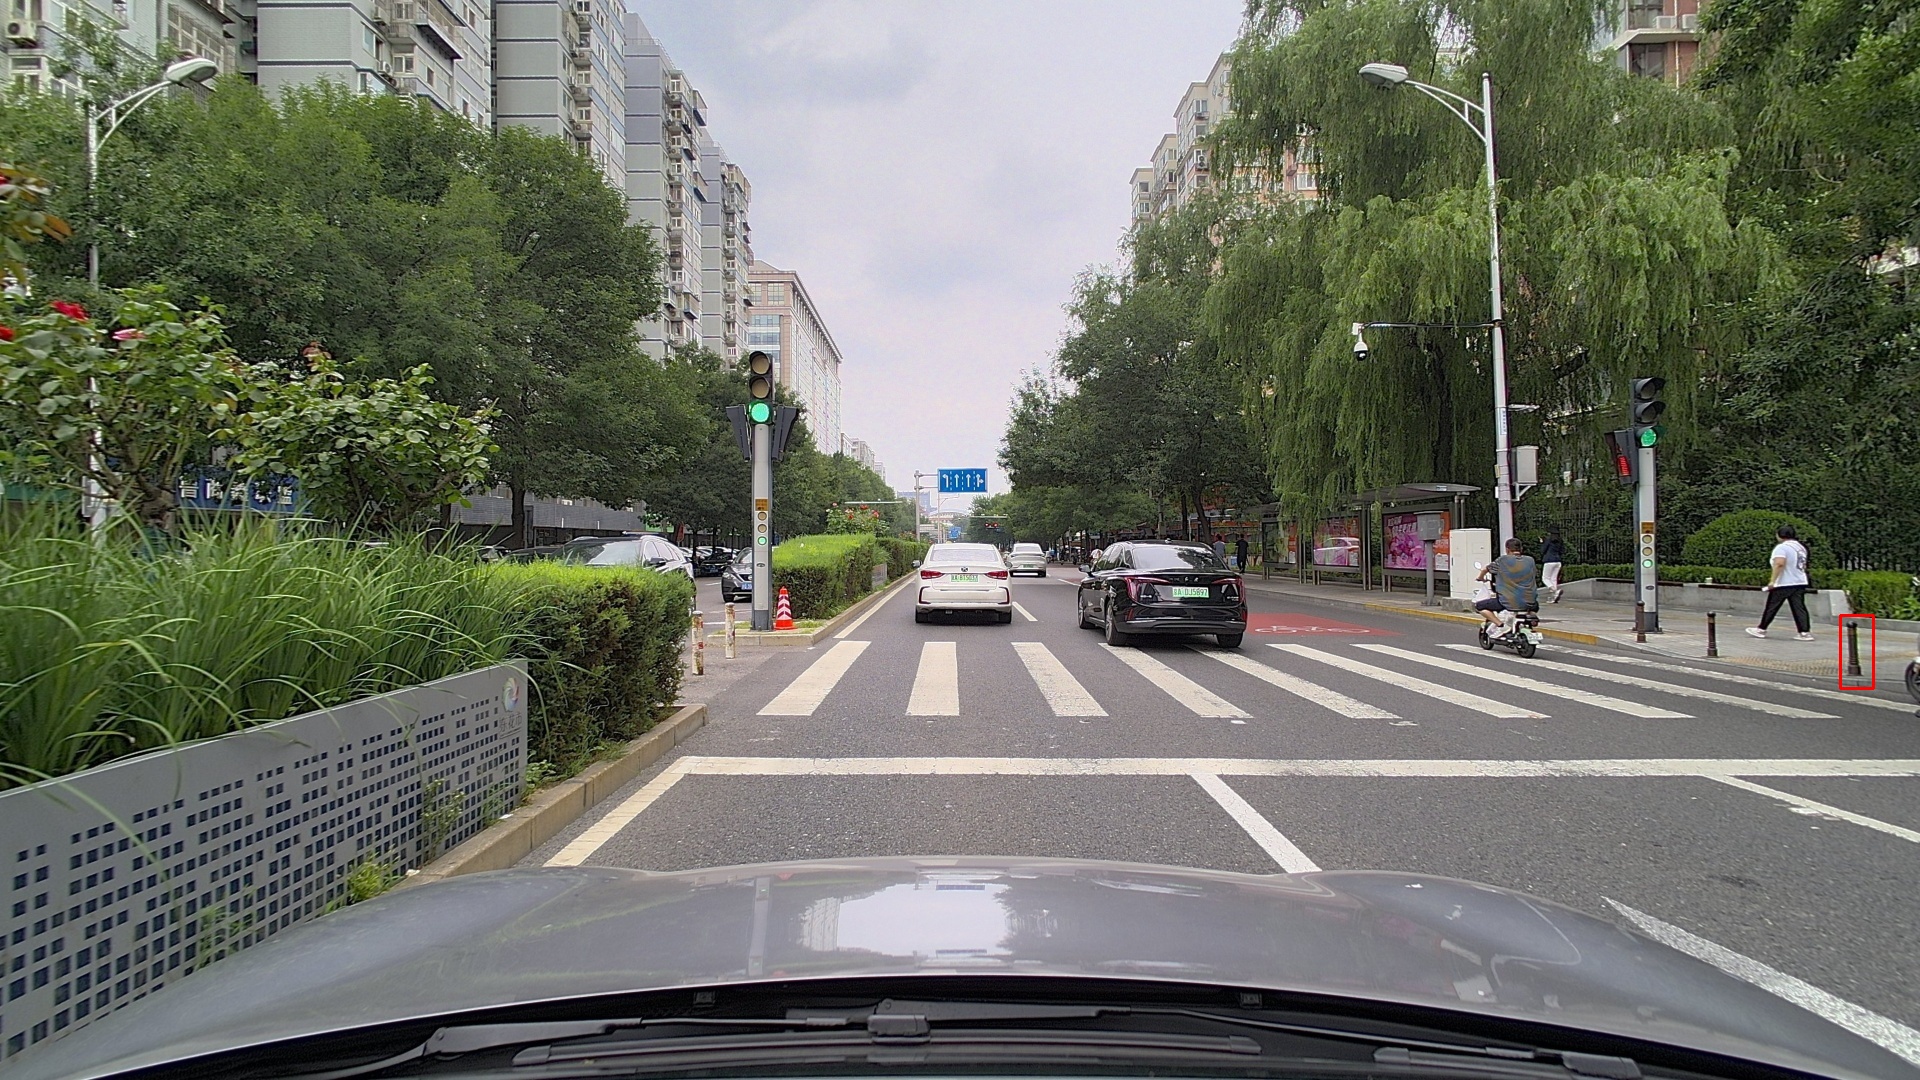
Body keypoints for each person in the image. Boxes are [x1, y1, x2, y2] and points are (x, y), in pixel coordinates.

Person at [1748, 525, 1813, 641]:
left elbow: (1779, 563)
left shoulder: (1782, 547)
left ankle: (1761, 629)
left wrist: (1772, 581)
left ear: (1779, 535)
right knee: (1799, 607)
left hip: (1785, 582)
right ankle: (1804, 632)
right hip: (1799, 581)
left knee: (1772, 606)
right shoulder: (1801, 547)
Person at [1475, 538, 1539, 637]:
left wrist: (1480, 578)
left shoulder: (1502, 560)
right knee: (1532, 606)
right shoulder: (1530, 560)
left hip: (1508, 602)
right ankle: (1531, 617)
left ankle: (1500, 625)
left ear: (1507, 549)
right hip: (1531, 602)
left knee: (1480, 606)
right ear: (1521, 549)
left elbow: (1486, 569)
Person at [1539, 529, 1566, 603]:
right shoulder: (1560, 541)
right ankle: (1554, 597)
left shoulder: (1548, 540)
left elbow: (1543, 550)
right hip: (1558, 561)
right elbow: (1562, 551)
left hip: (1549, 561)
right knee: (1553, 579)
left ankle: (1555, 591)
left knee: (1545, 578)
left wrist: (1542, 543)